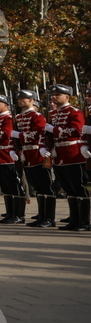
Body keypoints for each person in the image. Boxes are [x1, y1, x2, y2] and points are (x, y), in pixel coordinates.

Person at [48, 85, 89, 231]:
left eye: (58, 94)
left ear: (67, 97)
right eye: (53, 94)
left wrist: (54, 130)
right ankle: (74, 219)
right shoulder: (53, 114)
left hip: (73, 154)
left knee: (78, 187)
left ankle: (84, 221)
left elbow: (76, 131)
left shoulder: (74, 112)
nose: (54, 97)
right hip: (59, 154)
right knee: (68, 189)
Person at [15, 91, 52, 227]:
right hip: (26, 154)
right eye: (19, 98)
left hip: (37, 153)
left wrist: (19, 136)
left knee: (44, 186)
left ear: (31, 100)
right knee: (37, 187)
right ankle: (42, 216)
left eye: (23, 98)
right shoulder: (19, 118)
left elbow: (36, 134)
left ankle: (49, 218)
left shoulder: (37, 116)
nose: (20, 100)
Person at [0, 95, 22, 224]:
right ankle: (10, 212)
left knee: (13, 184)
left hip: (8, 155)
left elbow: (5, 135)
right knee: (4, 186)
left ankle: (18, 214)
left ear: (6, 105)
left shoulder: (9, 119)